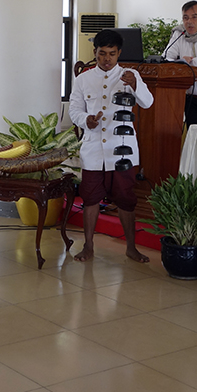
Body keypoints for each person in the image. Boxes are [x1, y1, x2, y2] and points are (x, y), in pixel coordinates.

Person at [69, 29, 154, 263]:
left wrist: (136, 85)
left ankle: (131, 247)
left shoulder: (130, 75)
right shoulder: (83, 79)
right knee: (90, 199)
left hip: (122, 150)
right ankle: (88, 246)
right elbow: (74, 109)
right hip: (93, 149)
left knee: (126, 199)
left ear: (119, 54)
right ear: (94, 52)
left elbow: (148, 103)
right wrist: (86, 120)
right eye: (102, 54)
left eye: (112, 54)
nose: (106, 59)